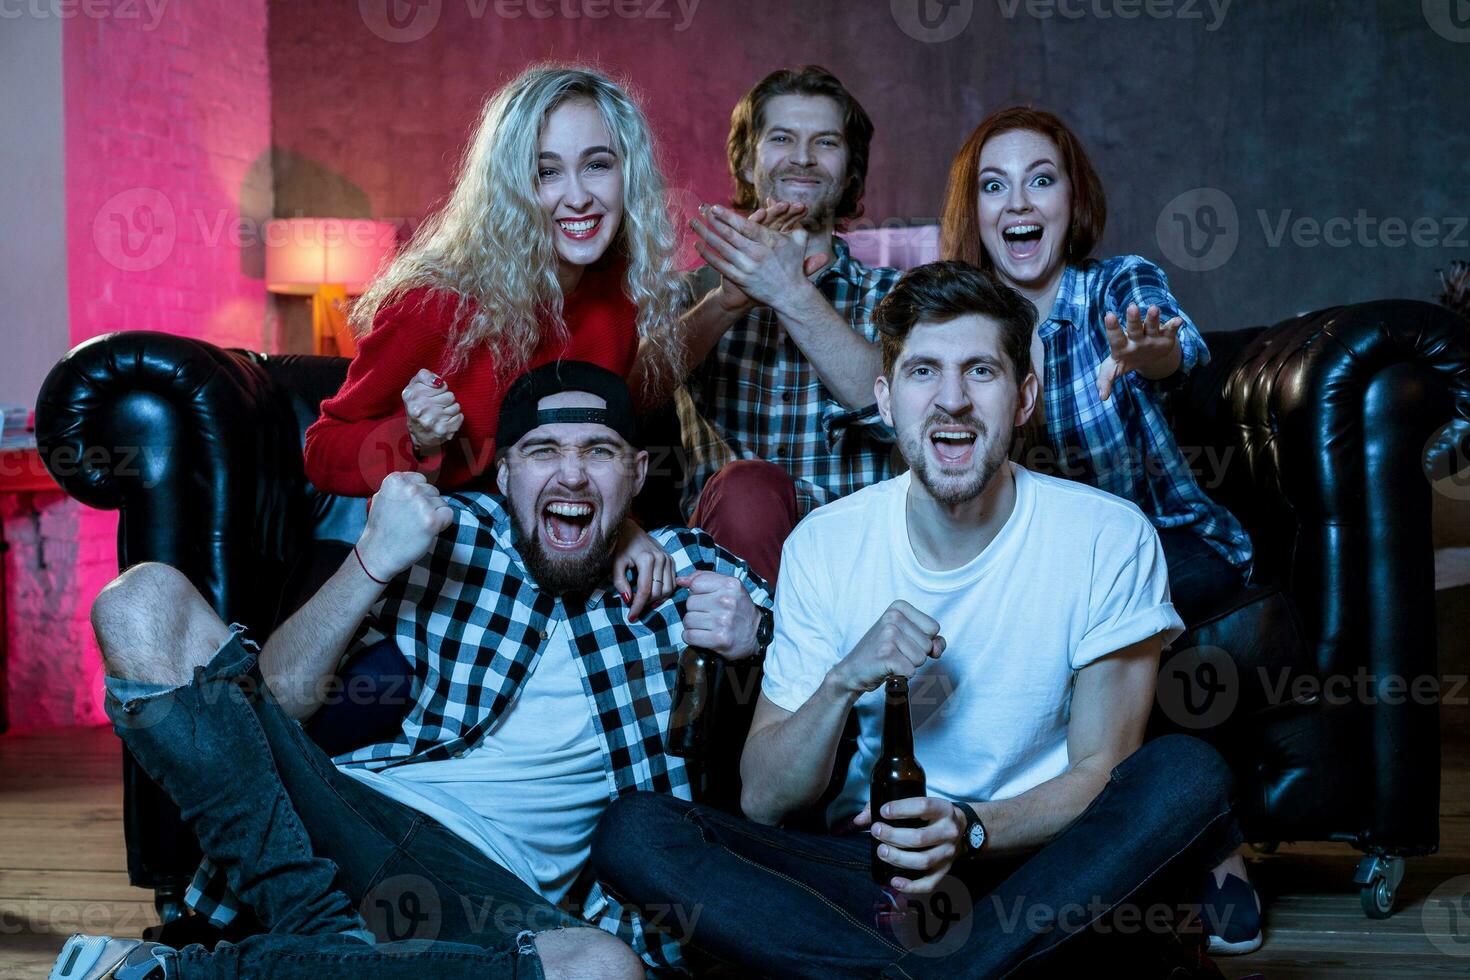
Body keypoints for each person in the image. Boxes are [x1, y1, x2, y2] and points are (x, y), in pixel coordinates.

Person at [593, 262, 1241, 978]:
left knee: (1188, 772)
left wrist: (968, 828)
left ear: (1024, 396)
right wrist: (844, 679)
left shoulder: (1106, 536)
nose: (953, 400)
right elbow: (765, 797)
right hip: (872, 878)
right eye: (924, 372)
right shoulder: (826, 545)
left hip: (1041, 869)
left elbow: (1099, 771)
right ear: (887, 399)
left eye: (982, 373)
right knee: (637, 831)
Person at [52, 362, 772, 980]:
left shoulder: (691, 569)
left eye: (601, 451)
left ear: (638, 473)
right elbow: (275, 698)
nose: (573, 473)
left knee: (605, 969)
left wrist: (754, 639)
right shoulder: (455, 535)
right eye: (544, 450)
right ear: (506, 472)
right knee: (141, 600)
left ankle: (245, 963)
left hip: (489, 896)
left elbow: (806, 685)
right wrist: (368, 561)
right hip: (353, 816)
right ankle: (324, 933)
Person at [939, 107, 1261, 954]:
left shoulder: (1116, 285)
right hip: (1043, 566)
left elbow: (1176, 343)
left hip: (1170, 544)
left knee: (1107, 621)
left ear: (1070, 198)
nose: (1019, 201)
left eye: (1040, 179)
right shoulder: (968, 323)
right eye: (994, 184)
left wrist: (1150, 353)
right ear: (975, 212)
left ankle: (1217, 846)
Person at [303, 63, 684, 616]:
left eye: (597, 165)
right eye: (545, 172)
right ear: (509, 187)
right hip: (437, 571)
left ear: (629, 174)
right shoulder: (436, 305)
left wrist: (625, 528)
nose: (577, 197)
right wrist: (414, 439)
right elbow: (321, 448)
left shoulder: (616, 300)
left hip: (551, 558)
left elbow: (583, 455)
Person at [631, 65, 902, 585]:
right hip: (728, 572)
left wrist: (790, 292)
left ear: (850, 169)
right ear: (747, 159)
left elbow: (891, 412)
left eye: (825, 142)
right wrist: (726, 304)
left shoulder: (894, 296)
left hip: (863, 566)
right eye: (782, 138)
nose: (802, 157)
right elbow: (631, 398)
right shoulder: (687, 295)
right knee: (749, 489)